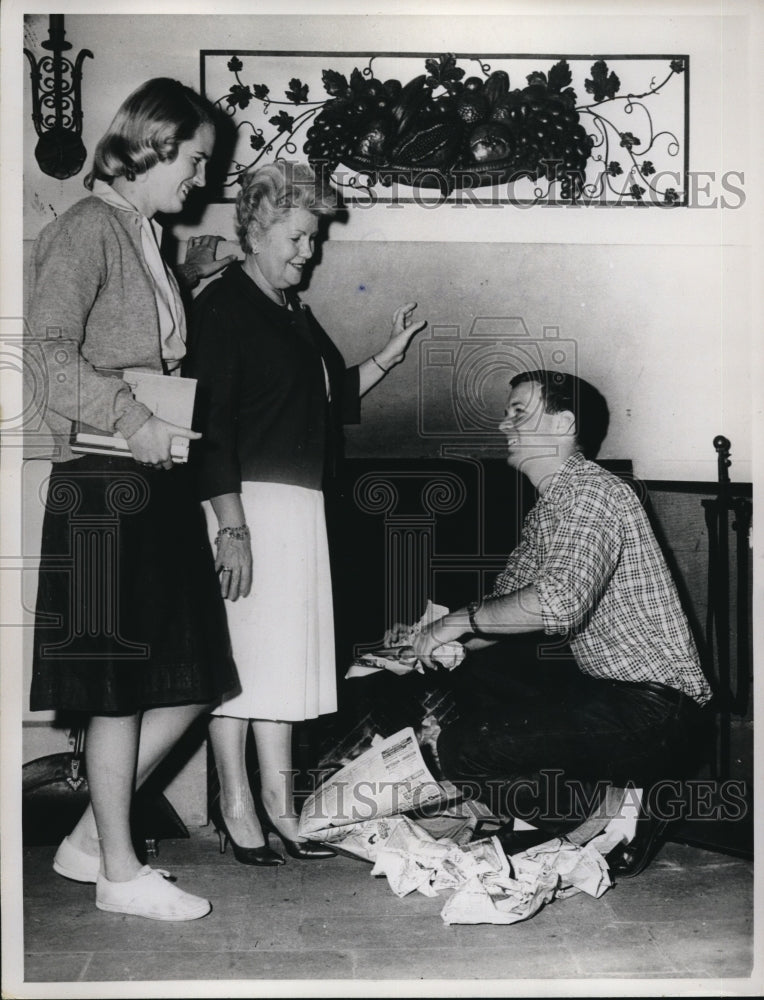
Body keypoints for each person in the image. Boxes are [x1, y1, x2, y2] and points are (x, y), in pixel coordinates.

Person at [28, 77, 239, 920]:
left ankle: (89, 840)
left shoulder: (138, 233)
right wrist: (128, 415)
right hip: (103, 486)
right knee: (121, 686)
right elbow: (43, 355)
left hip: (150, 482)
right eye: (193, 160)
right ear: (149, 146)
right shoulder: (85, 229)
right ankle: (120, 873)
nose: (200, 179)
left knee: (193, 674)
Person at [185, 161, 425, 865]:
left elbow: (326, 398)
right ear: (256, 231)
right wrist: (232, 528)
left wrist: (389, 353)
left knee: (280, 665)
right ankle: (237, 806)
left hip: (297, 508)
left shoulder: (291, 310)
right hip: (246, 506)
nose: (308, 252)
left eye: (313, 240)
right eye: (297, 238)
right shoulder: (222, 308)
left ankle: (281, 807)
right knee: (242, 669)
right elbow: (212, 430)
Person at [408, 369, 713, 876]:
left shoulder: (592, 493)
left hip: (658, 710)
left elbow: (558, 603)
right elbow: (506, 607)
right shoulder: (550, 508)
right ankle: (602, 805)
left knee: (464, 749)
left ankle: (619, 812)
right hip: (615, 698)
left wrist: (454, 624)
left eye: (519, 412)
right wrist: (435, 643)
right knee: (474, 690)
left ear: (563, 424)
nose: (504, 422)